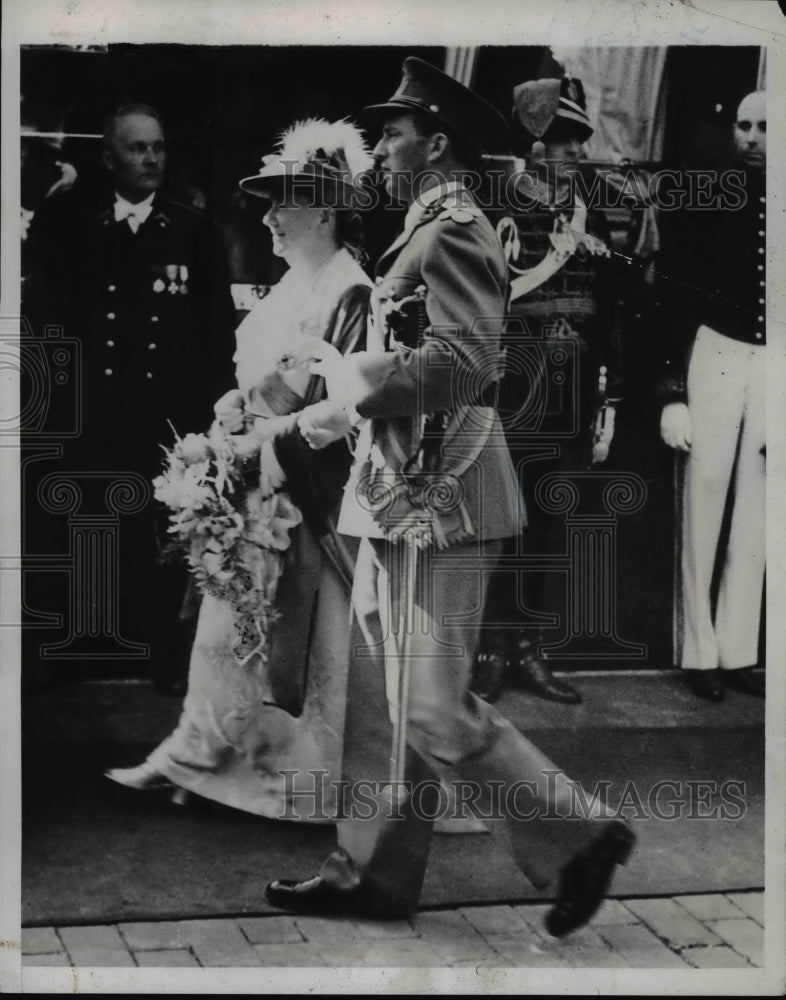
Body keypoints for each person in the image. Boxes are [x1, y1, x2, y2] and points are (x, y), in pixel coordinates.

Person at [265, 57, 634, 938]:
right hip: (397, 485)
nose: (380, 144)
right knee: (381, 701)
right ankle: (371, 875)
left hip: (449, 493)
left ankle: (581, 834)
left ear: (436, 143)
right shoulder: (422, 224)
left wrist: (352, 384)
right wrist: (328, 411)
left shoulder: (456, 223)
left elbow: (467, 362)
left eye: (393, 131)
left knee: (430, 702)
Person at [104, 119, 375, 820]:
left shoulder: (350, 290)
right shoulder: (291, 283)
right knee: (229, 625)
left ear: (322, 209)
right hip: (254, 480)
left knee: (296, 643)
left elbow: (337, 403)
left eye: (281, 202)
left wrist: (258, 434)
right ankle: (193, 756)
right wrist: (230, 416)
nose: (267, 217)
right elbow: (254, 377)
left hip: (304, 490)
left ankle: (296, 783)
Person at [23, 103, 237, 694]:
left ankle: (156, 662)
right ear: (109, 156)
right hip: (89, 417)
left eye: (158, 148)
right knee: (84, 535)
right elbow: (42, 326)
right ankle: (80, 661)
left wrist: (207, 429)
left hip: (163, 423)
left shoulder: (194, 232)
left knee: (159, 544)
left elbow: (215, 338)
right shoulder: (67, 223)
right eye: (138, 148)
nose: (150, 159)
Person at [470, 76, 623, 705]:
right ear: (528, 146)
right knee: (494, 526)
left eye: (574, 141)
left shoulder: (593, 210)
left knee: (547, 525)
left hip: (568, 391)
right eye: (554, 141)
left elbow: (610, 313)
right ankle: (485, 650)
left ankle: (528, 649)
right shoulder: (492, 208)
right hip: (509, 389)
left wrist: (606, 400)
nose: (566, 154)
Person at [658, 90, 766, 702]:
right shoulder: (709, 197)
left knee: (758, 511)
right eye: (743, 126)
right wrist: (674, 391)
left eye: (765, 128)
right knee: (704, 501)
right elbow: (677, 294)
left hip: (774, 362)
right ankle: (697, 652)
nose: (751, 137)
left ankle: (737, 652)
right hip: (716, 352)